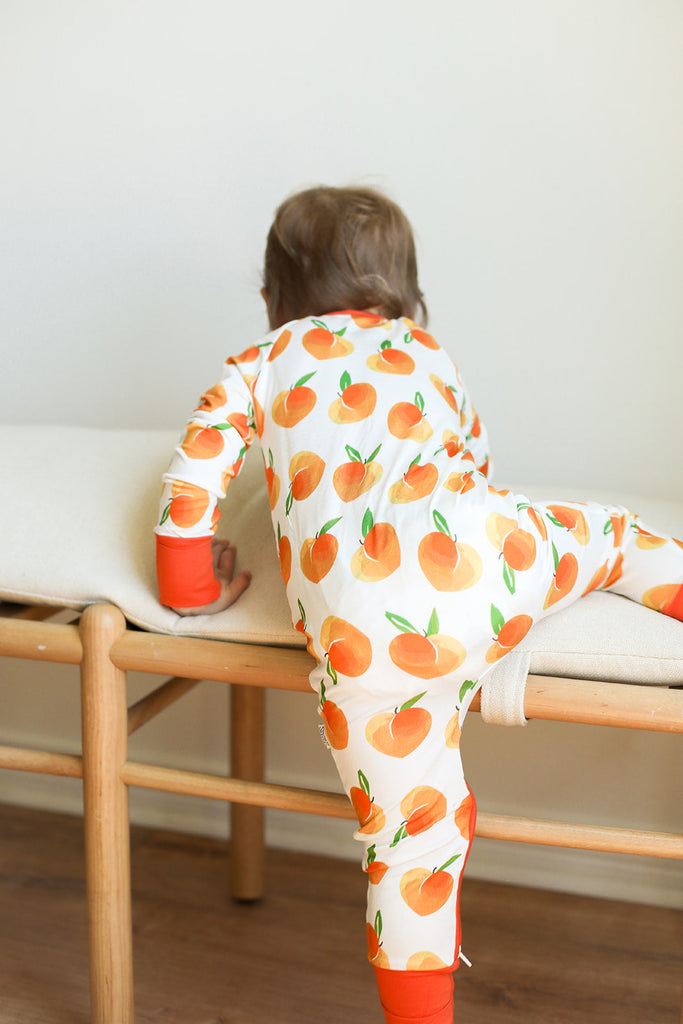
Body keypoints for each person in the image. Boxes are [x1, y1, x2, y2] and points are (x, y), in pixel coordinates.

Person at [155, 185, 683, 1024]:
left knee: (409, 843)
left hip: (361, 642)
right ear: (404, 294)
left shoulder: (262, 360)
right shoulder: (424, 351)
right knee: (611, 537)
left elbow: (192, 479)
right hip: (476, 563)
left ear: (270, 298)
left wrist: (192, 587)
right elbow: (472, 464)